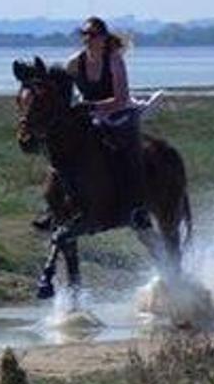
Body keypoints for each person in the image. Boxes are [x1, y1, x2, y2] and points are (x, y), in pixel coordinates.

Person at [63, 16, 150, 229]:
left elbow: (121, 98)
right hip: (89, 116)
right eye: (84, 34)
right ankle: (55, 206)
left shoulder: (114, 60)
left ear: (103, 38)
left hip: (119, 113)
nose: (87, 39)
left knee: (128, 151)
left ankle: (138, 208)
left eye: (92, 35)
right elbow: (65, 95)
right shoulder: (74, 63)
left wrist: (92, 106)